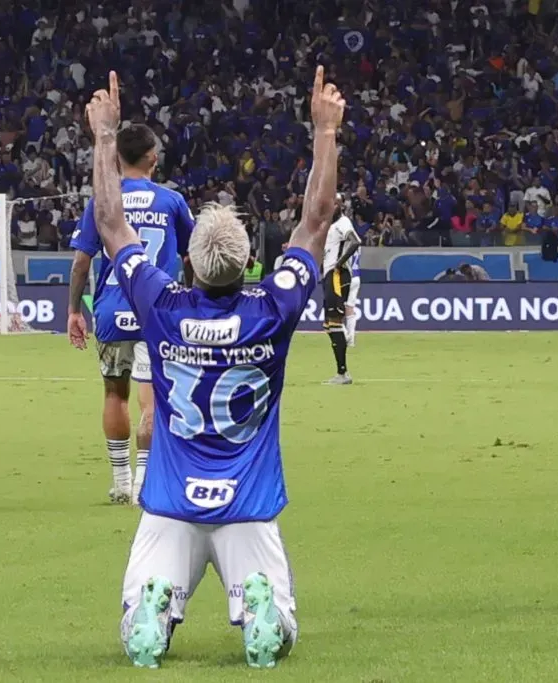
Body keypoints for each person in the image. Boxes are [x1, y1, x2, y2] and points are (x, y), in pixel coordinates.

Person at [84, 68, 344, 669]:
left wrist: (104, 138)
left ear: (189, 264)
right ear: (250, 261)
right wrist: (325, 130)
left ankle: (156, 606)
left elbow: (112, 224)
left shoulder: (163, 305)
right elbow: (316, 219)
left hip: (171, 502)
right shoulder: (273, 308)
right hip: (247, 507)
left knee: (134, 629)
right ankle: (260, 611)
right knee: (282, 633)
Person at [67, 123, 196, 506]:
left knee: (114, 393)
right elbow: (191, 258)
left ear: (116, 157)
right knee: (152, 401)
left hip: (110, 309)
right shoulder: (171, 202)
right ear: (153, 157)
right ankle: (144, 484)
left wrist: (74, 311)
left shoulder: (103, 202)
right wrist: (188, 300)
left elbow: (80, 263)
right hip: (156, 309)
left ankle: (120, 481)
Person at [321, 198, 361, 383]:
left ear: (341, 207)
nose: (332, 207)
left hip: (338, 275)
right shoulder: (329, 225)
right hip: (329, 275)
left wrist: (338, 264)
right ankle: (341, 371)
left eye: (336, 204)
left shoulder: (343, 223)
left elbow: (355, 241)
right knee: (329, 324)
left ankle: (343, 373)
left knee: (335, 322)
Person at [344, 232, 361, 348]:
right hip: (356, 277)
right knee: (350, 308)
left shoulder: (347, 246)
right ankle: (351, 340)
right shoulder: (358, 244)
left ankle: (346, 336)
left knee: (337, 309)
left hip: (347, 278)